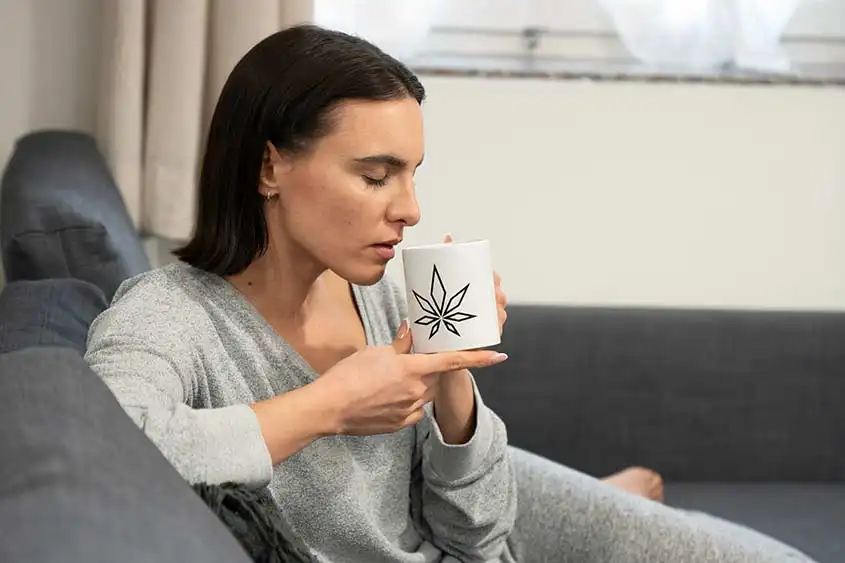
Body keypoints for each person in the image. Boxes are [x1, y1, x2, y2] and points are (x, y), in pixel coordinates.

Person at [85, 25, 813, 563]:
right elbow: (105, 451)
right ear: (270, 167)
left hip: (485, 520)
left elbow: (478, 533)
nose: (409, 209)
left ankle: (594, 498)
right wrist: (331, 405)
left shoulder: (382, 296)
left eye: (412, 173)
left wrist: (450, 378)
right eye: (375, 176)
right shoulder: (165, 316)